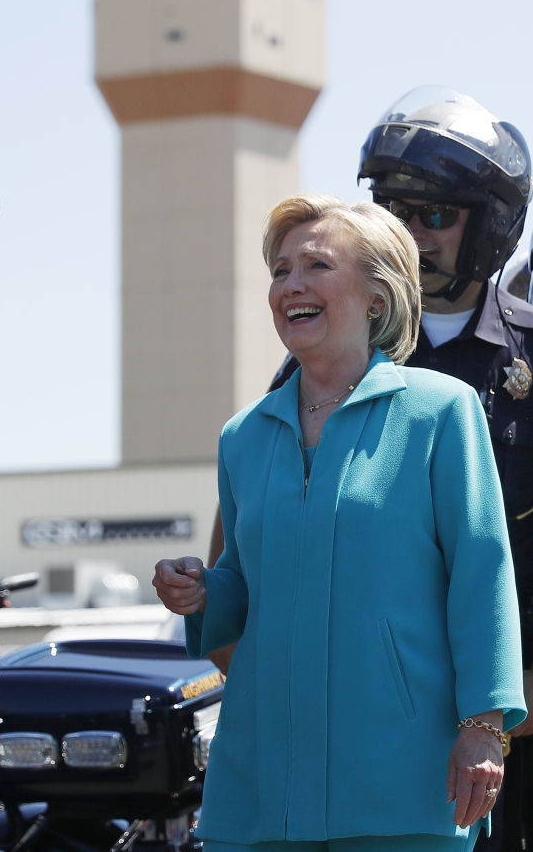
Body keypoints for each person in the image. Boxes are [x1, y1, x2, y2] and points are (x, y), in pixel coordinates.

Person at [207, 88, 533, 850]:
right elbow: (242, 570)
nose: (407, 230)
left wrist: (490, 712)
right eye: (392, 208)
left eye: (433, 214)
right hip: (399, 741)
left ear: (487, 225)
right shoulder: (304, 379)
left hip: (496, 717)